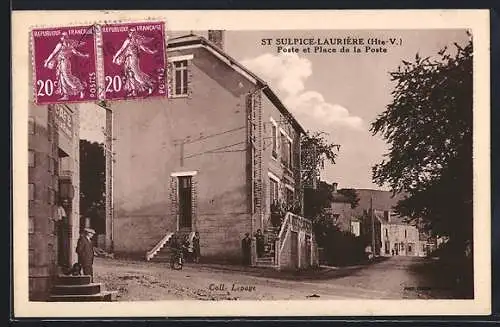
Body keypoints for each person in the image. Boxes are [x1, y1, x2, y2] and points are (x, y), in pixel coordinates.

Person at [43, 31, 89, 100]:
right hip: (60, 63)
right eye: (63, 36)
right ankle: (66, 95)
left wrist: (84, 56)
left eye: (66, 36)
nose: (64, 38)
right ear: (61, 38)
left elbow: (76, 52)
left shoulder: (69, 45)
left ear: (67, 37)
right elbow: (53, 53)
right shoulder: (60, 45)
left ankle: (77, 87)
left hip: (65, 62)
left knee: (66, 76)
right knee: (62, 78)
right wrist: (47, 62)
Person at [112, 28, 157, 97]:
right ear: (129, 33)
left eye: (133, 32)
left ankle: (149, 86)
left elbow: (144, 48)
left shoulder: (136, 41)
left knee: (136, 75)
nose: (132, 34)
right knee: (130, 75)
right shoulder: (128, 40)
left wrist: (151, 51)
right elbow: (121, 49)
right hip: (128, 60)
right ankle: (134, 91)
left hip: (133, 59)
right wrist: (115, 57)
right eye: (131, 32)